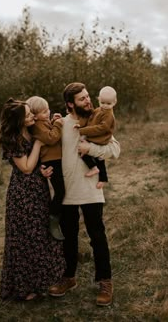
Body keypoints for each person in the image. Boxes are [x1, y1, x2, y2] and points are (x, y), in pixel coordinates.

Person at [48, 82, 120, 307]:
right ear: (70, 104)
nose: (88, 101)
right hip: (68, 192)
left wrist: (91, 150)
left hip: (91, 190)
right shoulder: (61, 124)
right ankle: (69, 278)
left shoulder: (99, 118)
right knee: (68, 238)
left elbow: (115, 149)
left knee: (97, 236)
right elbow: (47, 147)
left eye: (88, 97)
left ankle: (105, 282)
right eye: (82, 99)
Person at [0, 98, 66, 301]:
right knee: (25, 240)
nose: (32, 117)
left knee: (40, 236)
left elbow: (35, 165)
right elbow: (25, 167)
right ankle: (23, 288)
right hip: (23, 195)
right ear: (18, 120)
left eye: (31, 113)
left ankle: (40, 281)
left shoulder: (31, 130)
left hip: (39, 189)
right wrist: (37, 144)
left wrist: (43, 170)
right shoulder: (13, 139)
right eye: (27, 115)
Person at [26, 96, 65, 241]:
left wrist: (54, 121)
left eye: (48, 109)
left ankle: (57, 215)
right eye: (43, 112)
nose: (47, 112)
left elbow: (50, 130)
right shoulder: (36, 126)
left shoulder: (42, 122)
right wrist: (59, 125)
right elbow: (51, 138)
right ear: (35, 116)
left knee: (62, 189)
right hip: (51, 161)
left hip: (56, 159)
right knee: (60, 190)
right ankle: (53, 218)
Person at [74, 86, 117, 189]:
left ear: (114, 102)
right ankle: (103, 177)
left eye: (108, 103)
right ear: (99, 100)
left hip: (100, 138)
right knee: (99, 158)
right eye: (102, 103)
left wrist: (82, 130)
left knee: (86, 152)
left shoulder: (109, 115)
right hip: (95, 137)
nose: (105, 106)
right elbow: (92, 116)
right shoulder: (99, 110)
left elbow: (102, 128)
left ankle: (94, 169)